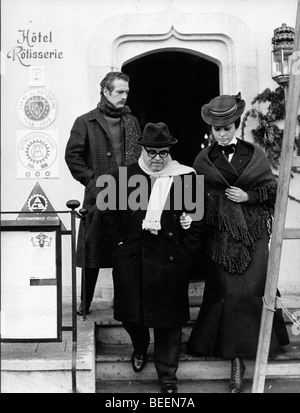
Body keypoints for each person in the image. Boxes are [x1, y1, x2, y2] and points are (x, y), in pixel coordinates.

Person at [186, 93, 290, 393]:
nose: (222, 133)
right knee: (228, 293)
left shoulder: (254, 154)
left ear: (236, 125)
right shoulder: (202, 160)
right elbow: (196, 199)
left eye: (228, 128)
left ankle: (261, 347)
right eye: (217, 129)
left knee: (253, 290)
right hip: (221, 239)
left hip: (254, 235)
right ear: (211, 130)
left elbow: (271, 191)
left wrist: (248, 197)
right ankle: (235, 363)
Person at [99, 122, 202, 393]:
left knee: (169, 323)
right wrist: (120, 244)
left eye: (163, 153)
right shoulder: (121, 177)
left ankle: (168, 375)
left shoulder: (186, 178)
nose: (158, 159)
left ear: (170, 152)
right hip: (132, 259)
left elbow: (197, 220)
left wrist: (186, 255)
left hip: (170, 262)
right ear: (142, 150)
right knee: (132, 316)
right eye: (152, 153)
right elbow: (107, 216)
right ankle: (140, 346)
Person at [65, 71, 142, 315]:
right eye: (120, 92)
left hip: (131, 194)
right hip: (99, 195)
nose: (124, 96)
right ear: (106, 92)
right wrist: (91, 180)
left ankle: (128, 305)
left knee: (129, 252)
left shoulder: (132, 121)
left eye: (127, 92)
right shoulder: (85, 121)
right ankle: (84, 303)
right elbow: (72, 156)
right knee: (93, 253)